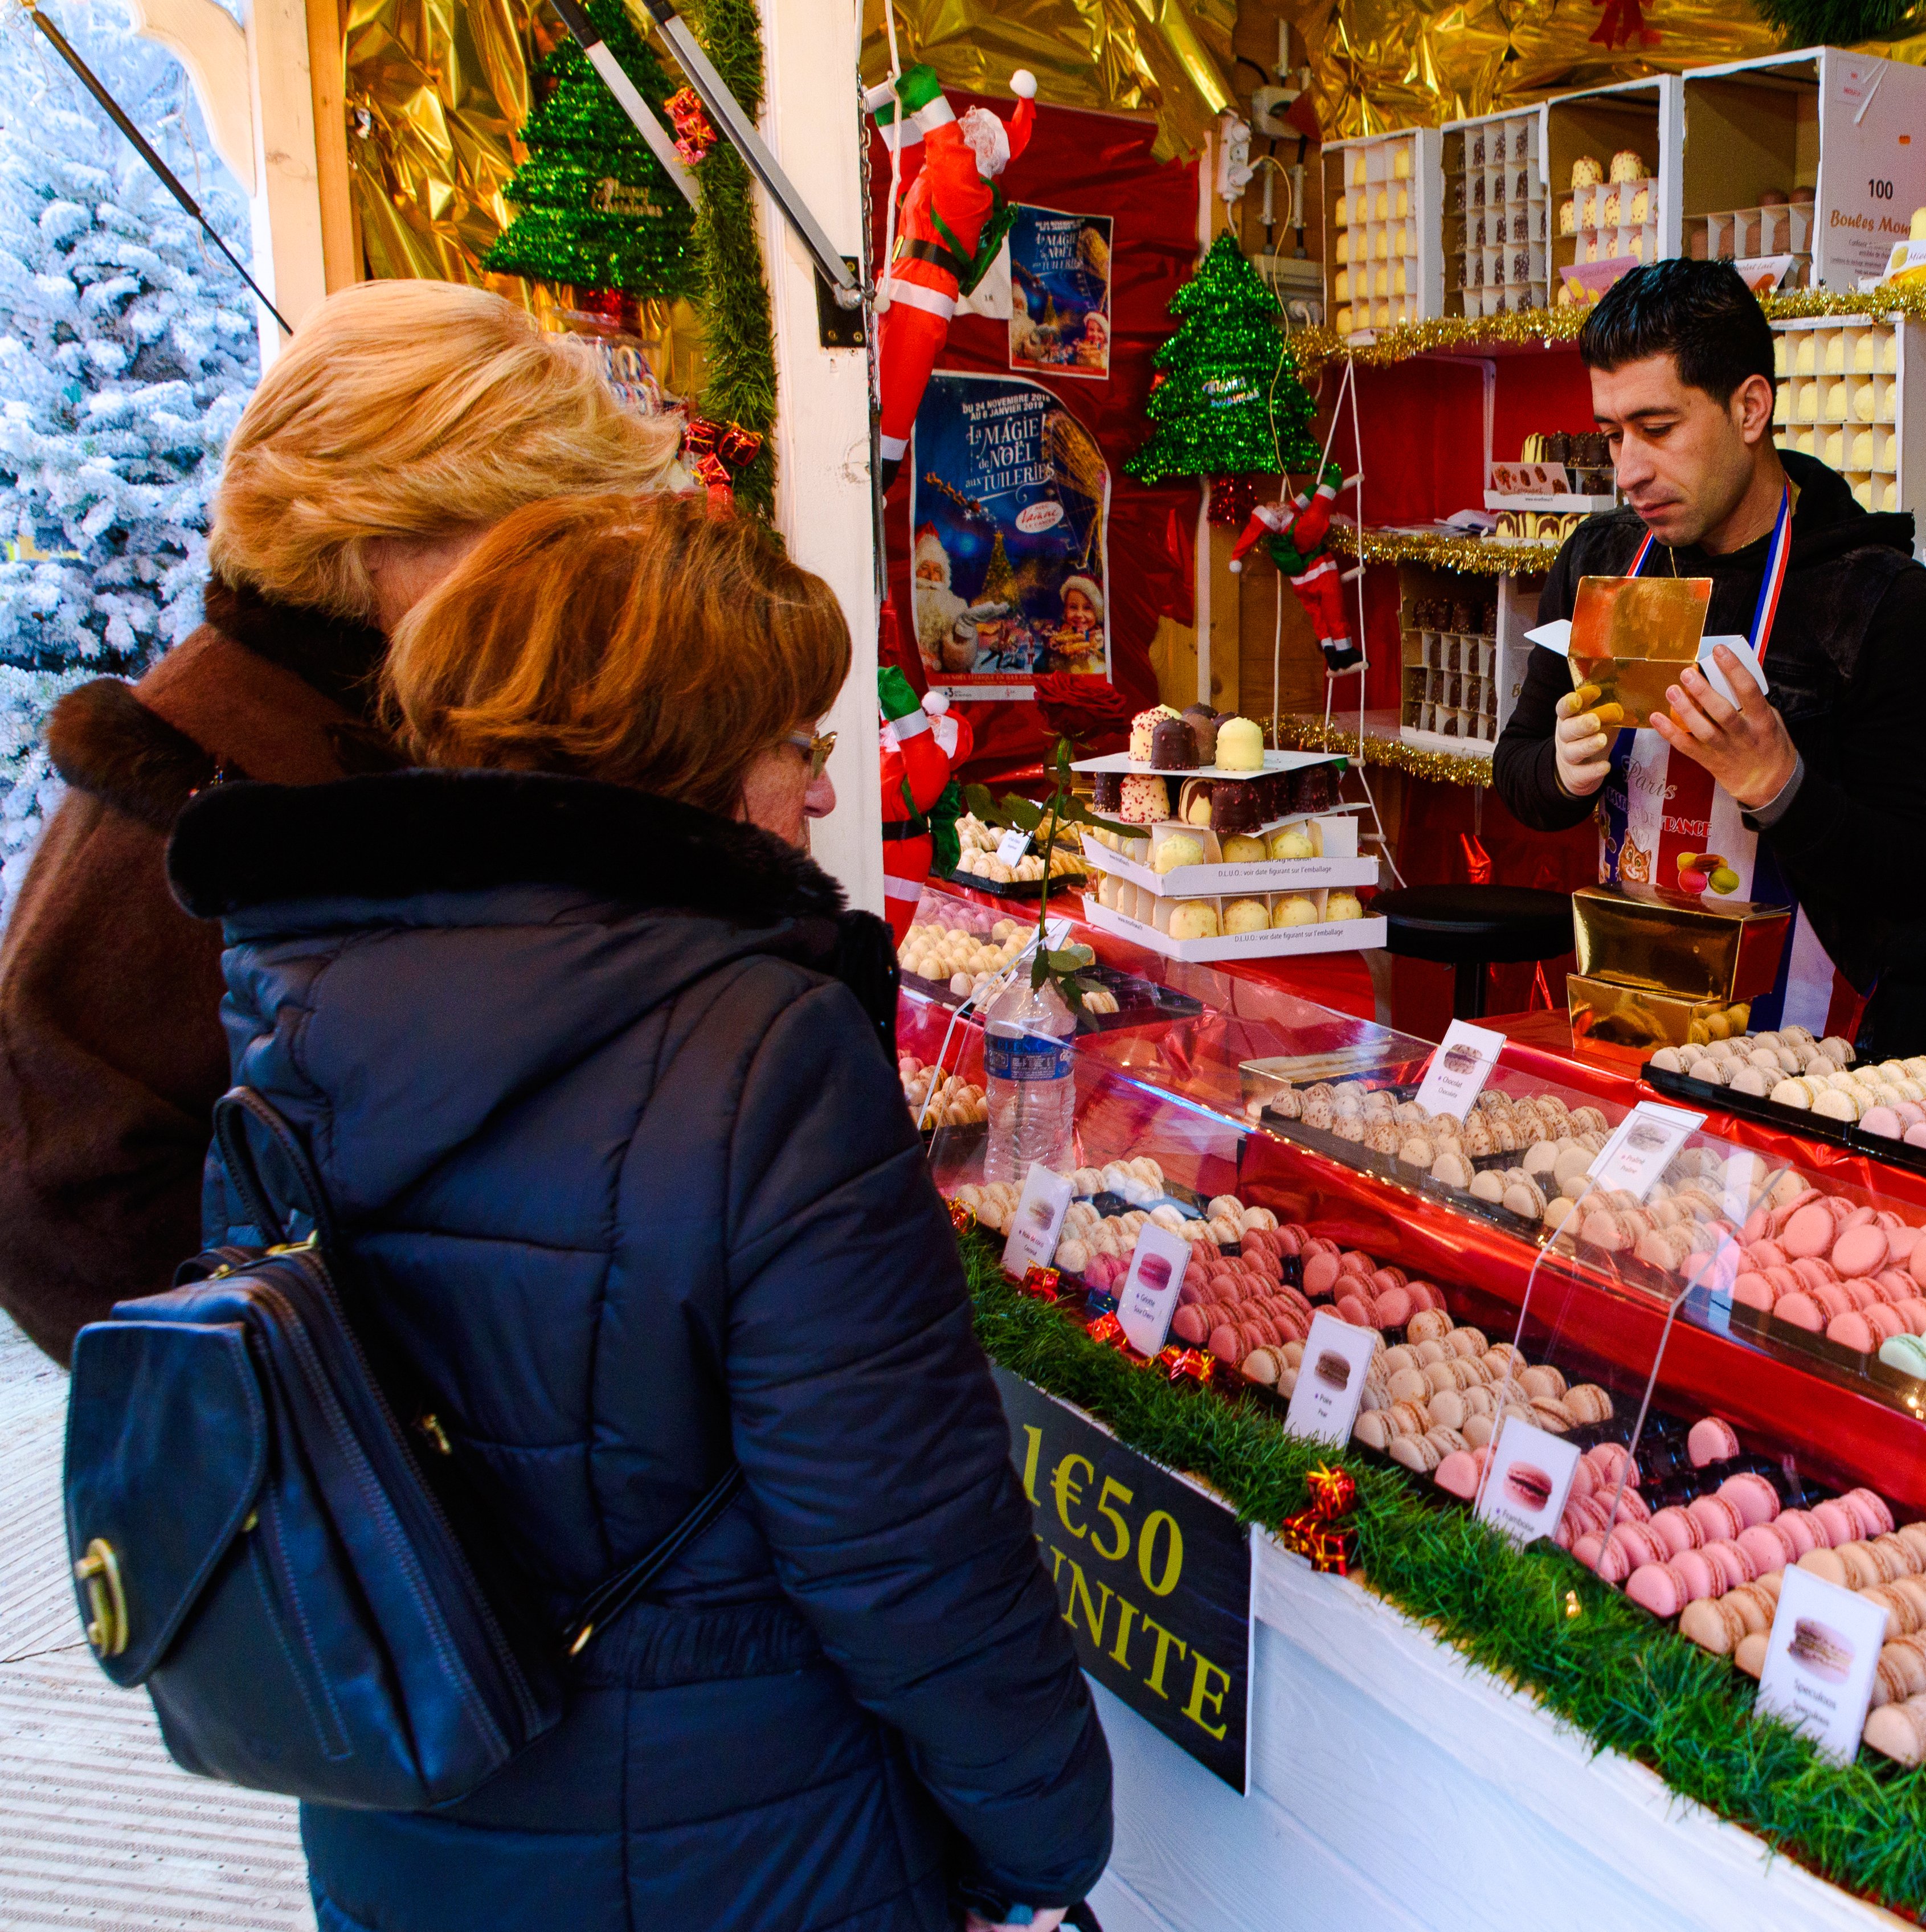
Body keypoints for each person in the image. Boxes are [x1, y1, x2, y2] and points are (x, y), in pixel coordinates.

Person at [161, 492, 1113, 1932]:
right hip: (741, 1852)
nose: (826, 792)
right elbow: (906, 1544)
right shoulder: (766, 1049)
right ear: (686, 756)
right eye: (801, 744)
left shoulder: (299, 989)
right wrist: (1045, 1848)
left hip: (406, 1808)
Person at [0, 280, 682, 1365]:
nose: (557, 582)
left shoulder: (373, 719)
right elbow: (52, 1194)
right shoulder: (195, 787)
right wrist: (342, 1381)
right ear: (380, 533)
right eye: (526, 536)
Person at [1491, 260, 1926, 1067]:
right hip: (1633, 1007)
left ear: (1750, 407)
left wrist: (1781, 788)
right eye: (1612, 435)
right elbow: (1516, 769)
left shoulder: (1874, 595)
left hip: (1808, 1050)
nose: (1628, 472)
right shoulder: (1604, 560)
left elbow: (1914, 872)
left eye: (1658, 430)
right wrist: (1560, 772)